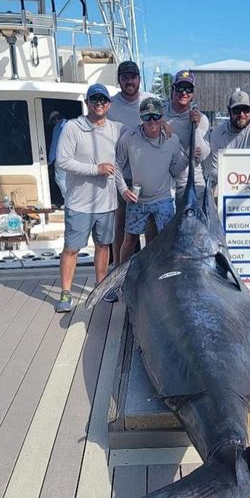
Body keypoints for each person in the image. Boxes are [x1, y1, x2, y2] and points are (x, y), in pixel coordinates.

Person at [55, 83, 126, 312]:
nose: (99, 104)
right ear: (87, 103)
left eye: (103, 100)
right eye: (94, 100)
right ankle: (66, 293)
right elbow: (62, 161)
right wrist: (95, 169)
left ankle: (101, 288)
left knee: (103, 246)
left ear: (109, 104)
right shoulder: (72, 127)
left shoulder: (117, 128)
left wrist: (164, 125)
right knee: (71, 249)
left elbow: (144, 128)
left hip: (107, 203)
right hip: (79, 203)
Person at [116, 97, 188, 261]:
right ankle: (120, 275)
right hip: (137, 199)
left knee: (166, 240)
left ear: (162, 117)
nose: (152, 120)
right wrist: (123, 189)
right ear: (141, 118)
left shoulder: (172, 139)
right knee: (129, 240)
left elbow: (176, 169)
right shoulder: (129, 137)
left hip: (163, 199)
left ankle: (164, 275)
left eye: (156, 116)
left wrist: (190, 159)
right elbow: (117, 165)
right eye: (147, 116)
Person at [108, 60, 156, 265]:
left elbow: (166, 123)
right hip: (122, 174)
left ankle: (149, 268)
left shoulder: (151, 99)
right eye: (125, 77)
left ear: (139, 79)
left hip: (149, 173)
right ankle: (118, 269)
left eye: (133, 77)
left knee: (151, 223)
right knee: (120, 222)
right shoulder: (110, 104)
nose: (129, 81)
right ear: (119, 80)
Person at [203, 89, 250, 185]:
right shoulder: (217, 133)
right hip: (226, 184)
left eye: (246, 110)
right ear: (229, 111)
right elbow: (212, 170)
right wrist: (234, 180)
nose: (242, 114)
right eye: (236, 110)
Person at [162, 69, 210, 204]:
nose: (183, 92)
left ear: (193, 93)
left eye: (188, 89)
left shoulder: (202, 119)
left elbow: (201, 156)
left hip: (192, 184)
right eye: (180, 88)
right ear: (173, 89)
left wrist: (195, 127)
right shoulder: (160, 115)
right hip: (165, 185)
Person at [48, 111, 67, 204]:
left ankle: (69, 201)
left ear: (55, 119)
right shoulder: (72, 124)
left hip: (63, 159)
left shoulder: (57, 128)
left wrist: (49, 160)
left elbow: (55, 145)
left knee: (60, 179)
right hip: (76, 159)